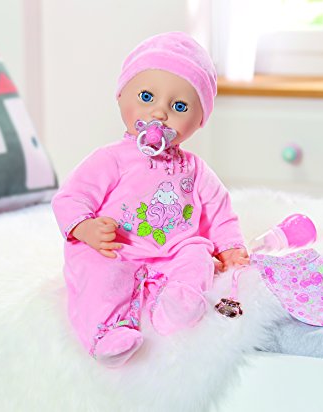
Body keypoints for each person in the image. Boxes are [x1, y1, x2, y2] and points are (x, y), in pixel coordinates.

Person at [52, 32, 249, 368]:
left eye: (179, 106)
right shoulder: (111, 159)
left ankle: (177, 306)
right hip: (118, 246)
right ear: (120, 96)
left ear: (199, 121)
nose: (159, 112)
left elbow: (220, 211)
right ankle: (109, 332)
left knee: (197, 257)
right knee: (97, 271)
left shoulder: (195, 169)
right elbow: (71, 196)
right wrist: (85, 227)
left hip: (173, 249)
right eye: (146, 97)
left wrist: (230, 246)